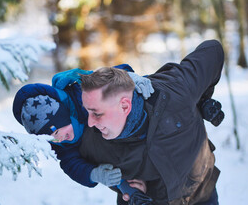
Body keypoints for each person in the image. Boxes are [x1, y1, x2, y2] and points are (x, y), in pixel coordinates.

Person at [78, 39, 224, 205]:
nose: (90, 122)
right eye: (88, 111)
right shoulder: (93, 140)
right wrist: (125, 187)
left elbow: (213, 49)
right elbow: (74, 159)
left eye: (96, 113)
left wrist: (201, 101)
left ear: (125, 106)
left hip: (202, 194)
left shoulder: (176, 90)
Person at [12, 65, 156, 195]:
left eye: (56, 132)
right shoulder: (61, 143)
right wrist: (94, 174)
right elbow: (70, 164)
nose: (59, 139)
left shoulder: (81, 95)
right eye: (51, 138)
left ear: (65, 116)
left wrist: (130, 80)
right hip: (123, 161)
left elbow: (111, 75)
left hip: (142, 128)